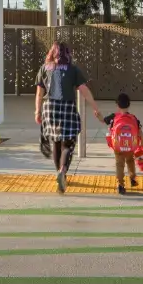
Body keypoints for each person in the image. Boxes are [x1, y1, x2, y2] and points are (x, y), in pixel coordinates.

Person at [35, 41, 101, 193]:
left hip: (49, 108)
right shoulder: (73, 69)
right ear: (67, 53)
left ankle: (59, 172)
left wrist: (37, 111)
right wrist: (95, 107)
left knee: (56, 143)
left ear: (52, 53)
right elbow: (83, 89)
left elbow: (39, 93)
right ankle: (63, 171)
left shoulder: (44, 68)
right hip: (67, 107)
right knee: (68, 143)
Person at [104, 93, 143, 195]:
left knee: (119, 164)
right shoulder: (133, 118)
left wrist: (98, 115)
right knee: (130, 161)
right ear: (129, 105)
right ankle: (132, 178)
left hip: (118, 146)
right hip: (131, 146)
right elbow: (140, 131)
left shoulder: (114, 116)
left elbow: (103, 120)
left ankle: (121, 185)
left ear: (117, 105)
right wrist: (142, 143)